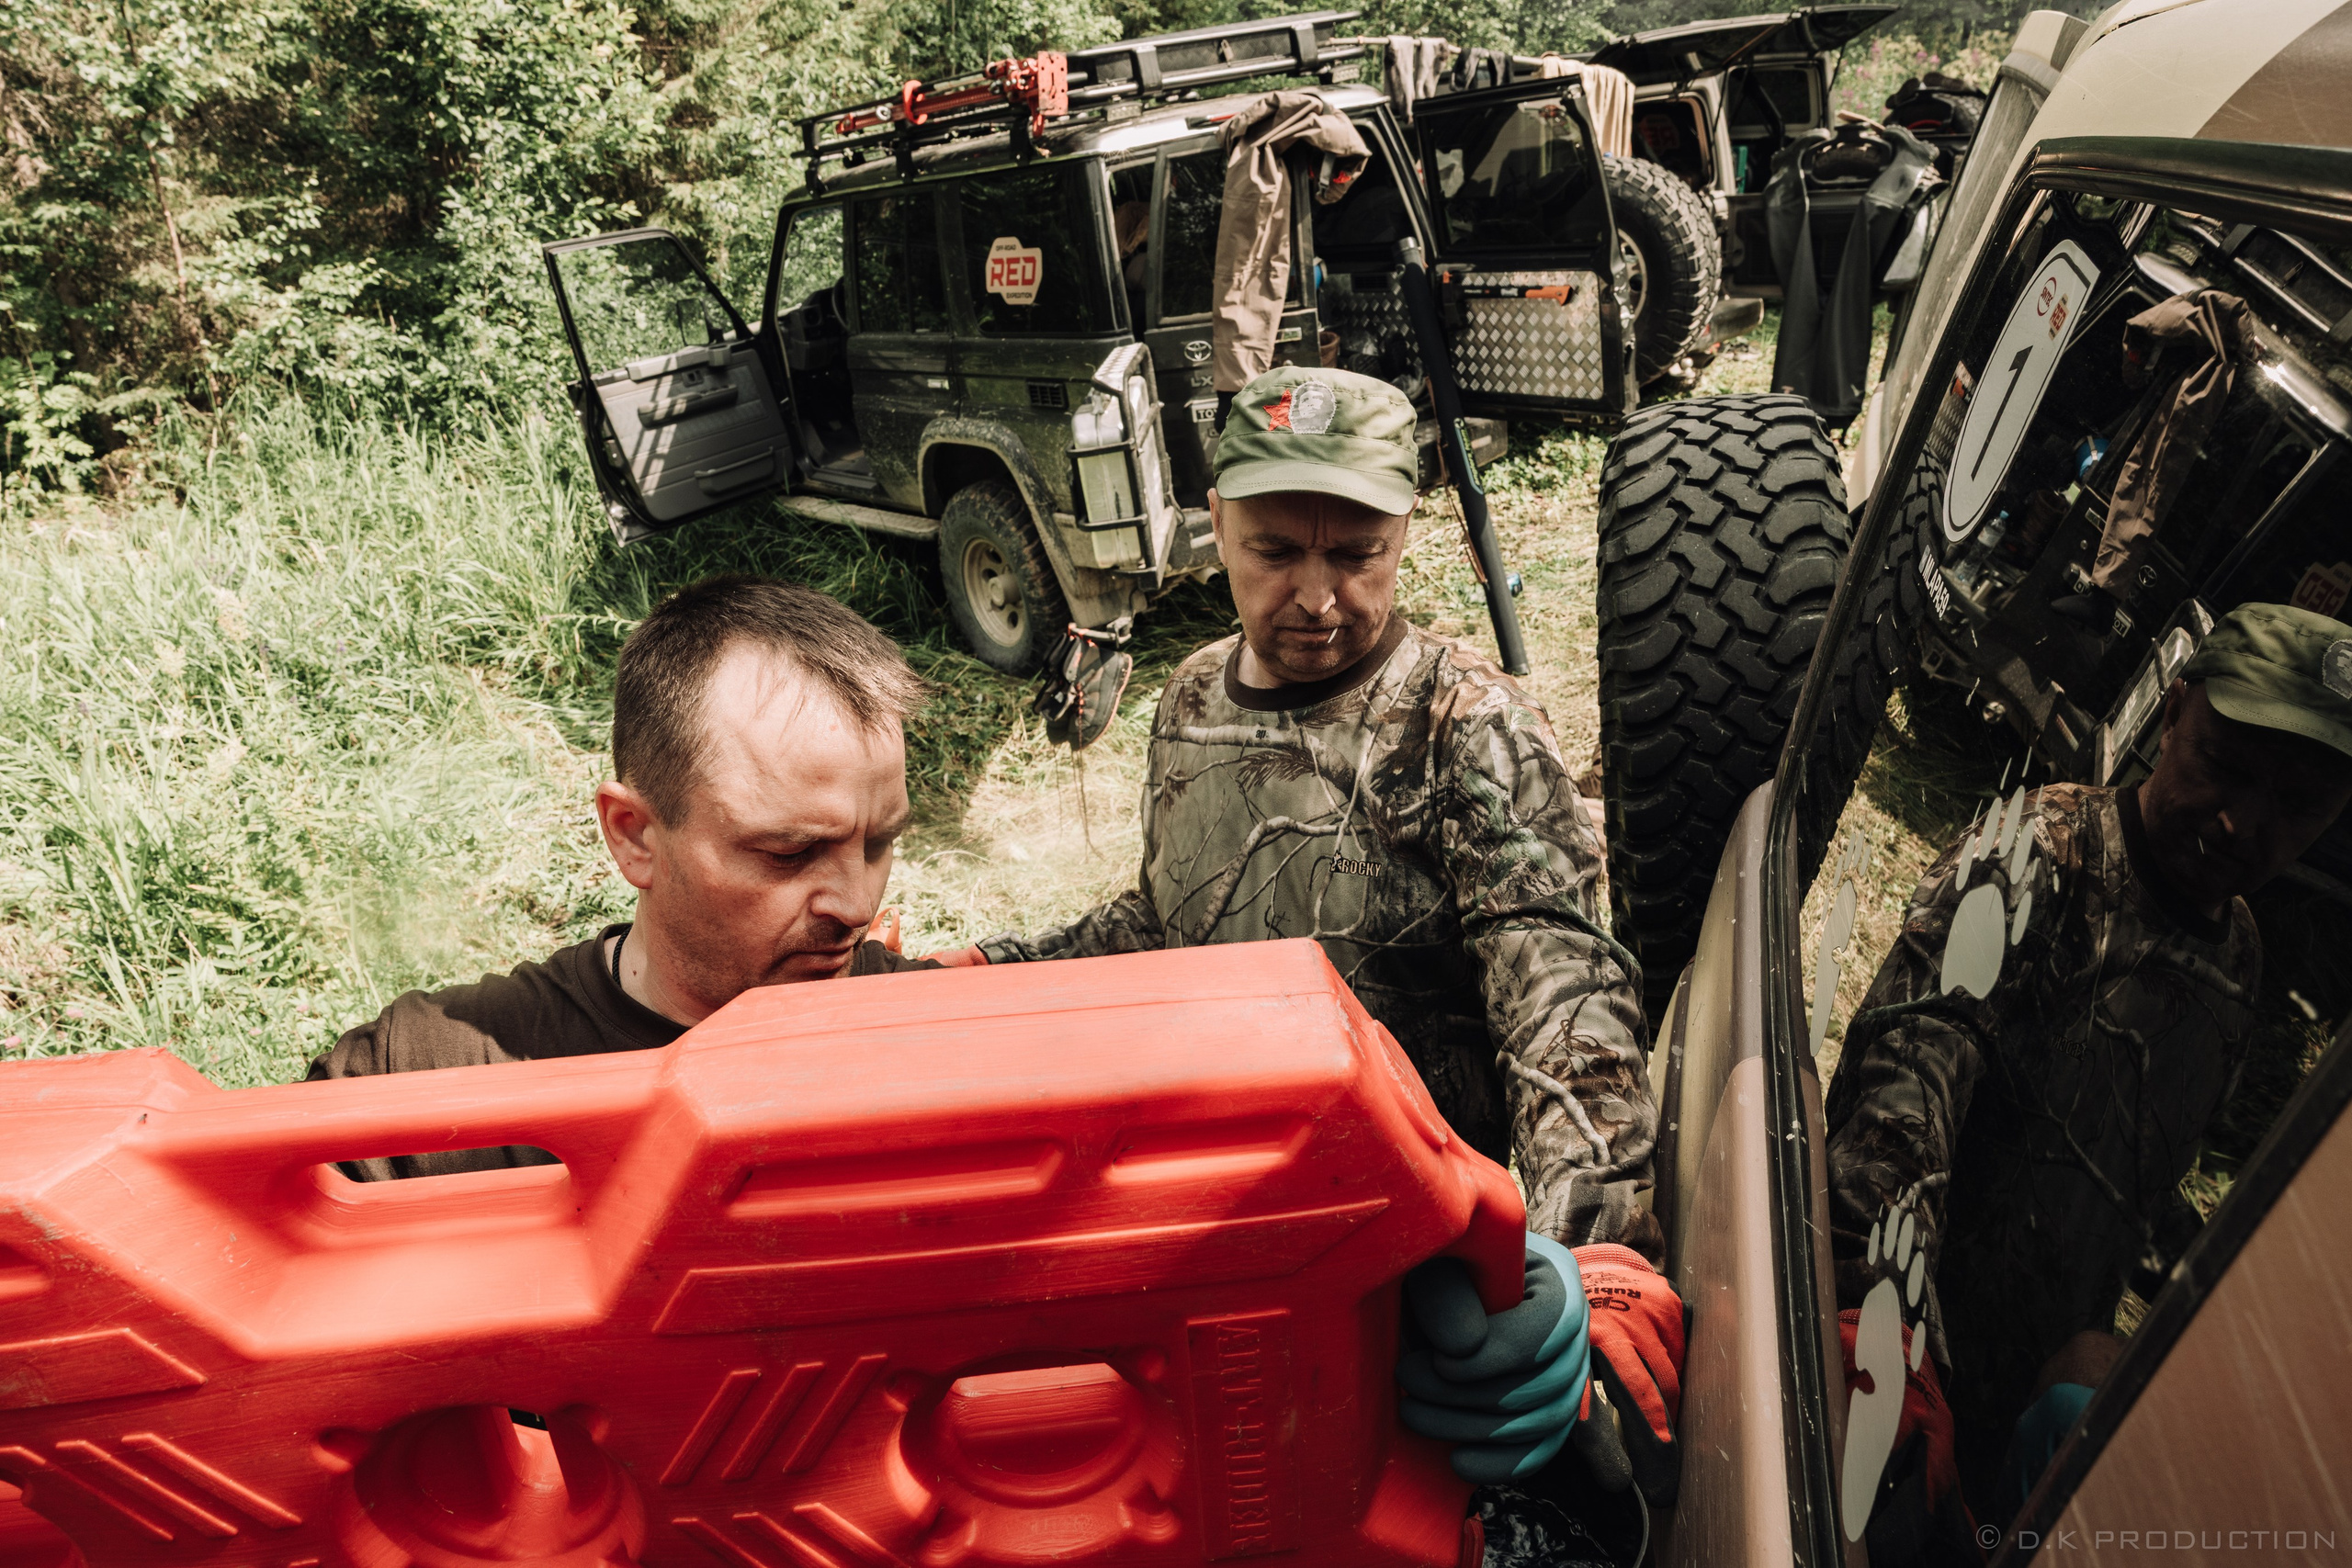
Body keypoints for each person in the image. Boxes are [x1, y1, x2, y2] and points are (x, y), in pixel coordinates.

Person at [932, 365, 1684, 1534]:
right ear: (1215, 523)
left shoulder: (1463, 722)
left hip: (1424, 1261)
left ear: (1406, 533)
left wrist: (1590, 1255)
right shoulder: (1190, 698)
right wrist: (993, 978)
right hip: (1229, 1230)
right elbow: (1169, 922)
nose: (1318, 598)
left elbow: (1562, 994)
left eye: (1359, 555)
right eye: (1275, 551)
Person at [1823, 603, 2352, 1551]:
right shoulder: (2037, 856)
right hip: (1883, 1374)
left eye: (2299, 804)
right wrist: (1887, 1323)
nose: (2243, 822)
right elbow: (1903, 1090)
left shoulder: (2236, 958)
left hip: (2023, 1435)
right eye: (2223, 766)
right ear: (2173, 709)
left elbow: (2128, 1186)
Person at [308, 577, 937, 1176]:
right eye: (790, 851)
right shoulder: (430, 1079)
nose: (857, 906)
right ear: (634, 835)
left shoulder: (945, 1037)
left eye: (878, 843)